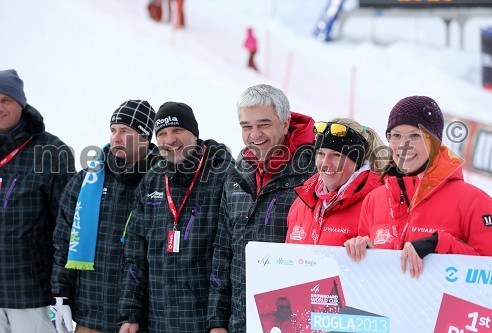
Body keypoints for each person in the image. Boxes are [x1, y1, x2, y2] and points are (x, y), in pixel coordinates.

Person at [344, 95, 492, 278]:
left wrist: (440, 244)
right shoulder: (374, 200)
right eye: (396, 136)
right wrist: (362, 250)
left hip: (442, 306)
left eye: (415, 136)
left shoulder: (474, 202)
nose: (403, 145)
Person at [208, 84, 316, 333]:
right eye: (246, 126)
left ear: (285, 122)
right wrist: (217, 320)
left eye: (264, 124)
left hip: (293, 320)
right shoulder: (237, 174)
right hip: (240, 320)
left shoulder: (314, 171)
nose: (254, 135)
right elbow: (223, 250)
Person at [117, 102, 234, 332]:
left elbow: (228, 256)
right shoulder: (151, 181)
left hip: (206, 322)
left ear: (194, 134)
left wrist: (219, 321)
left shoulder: (223, 176)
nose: (170, 140)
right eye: (162, 133)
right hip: (159, 321)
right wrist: (130, 313)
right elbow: (135, 255)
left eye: (177, 130)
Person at [51, 100, 157, 333]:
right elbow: (64, 241)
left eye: (125, 131)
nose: (116, 137)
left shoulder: (161, 181)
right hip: (90, 314)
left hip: (141, 318)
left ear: (145, 137)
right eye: (113, 130)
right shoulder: (87, 180)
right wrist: (60, 295)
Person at [0, 69, 75, 332]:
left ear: (20, 103)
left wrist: (62, 290)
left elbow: (67, 228)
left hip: (33, 295)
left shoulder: (51, 152)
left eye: (5, 100)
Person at [286, 118, 388, 245]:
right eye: (321, 154)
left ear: (358, 162)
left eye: (336, 155)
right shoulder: (301, 203)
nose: (325, 164)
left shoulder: (379, 203)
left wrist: (372, 252)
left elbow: (390, 258)